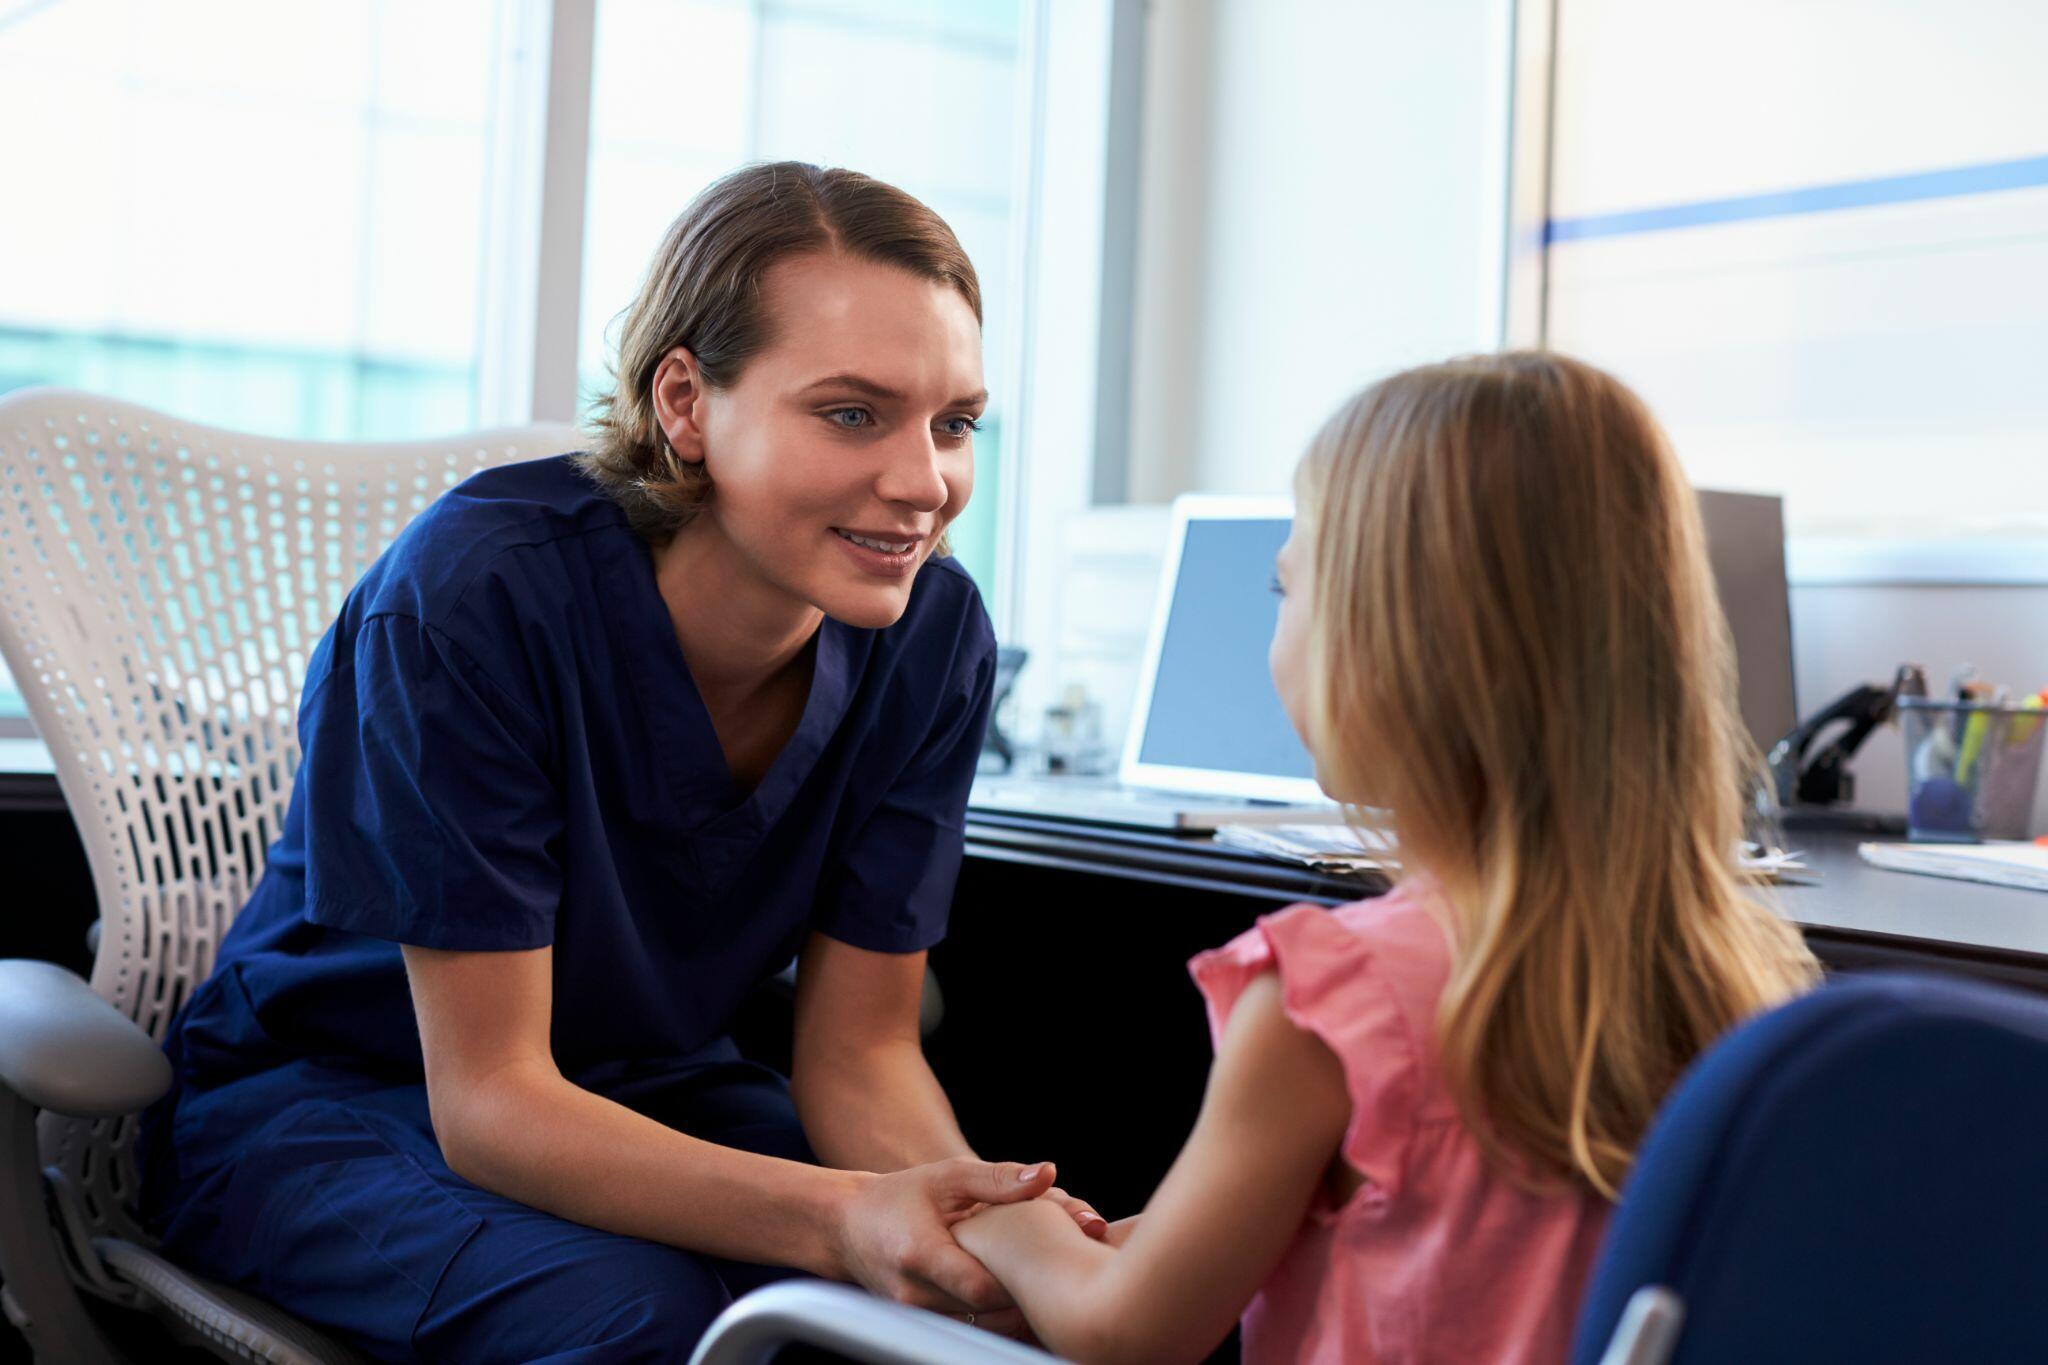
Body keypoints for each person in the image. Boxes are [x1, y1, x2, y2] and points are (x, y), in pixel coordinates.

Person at [139, 161, 1103, 1363]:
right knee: (640, 1320)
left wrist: (981, 1225)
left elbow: (859, 1051)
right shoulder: (473, 601)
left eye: (953, 423)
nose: (924, 484)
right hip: (338, 1109)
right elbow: (490, 1103)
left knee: (945, 1309)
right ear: (687, 404)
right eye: (852, 413)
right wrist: (851, 1217)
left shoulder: (932, 638)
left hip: (653, 1093)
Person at [949, 352, 1821, 1364]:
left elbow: (1124, 1331)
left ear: (1383, 637)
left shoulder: (1332, 999)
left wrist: (995, 1219)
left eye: (1285, 584)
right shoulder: (1743, 984)